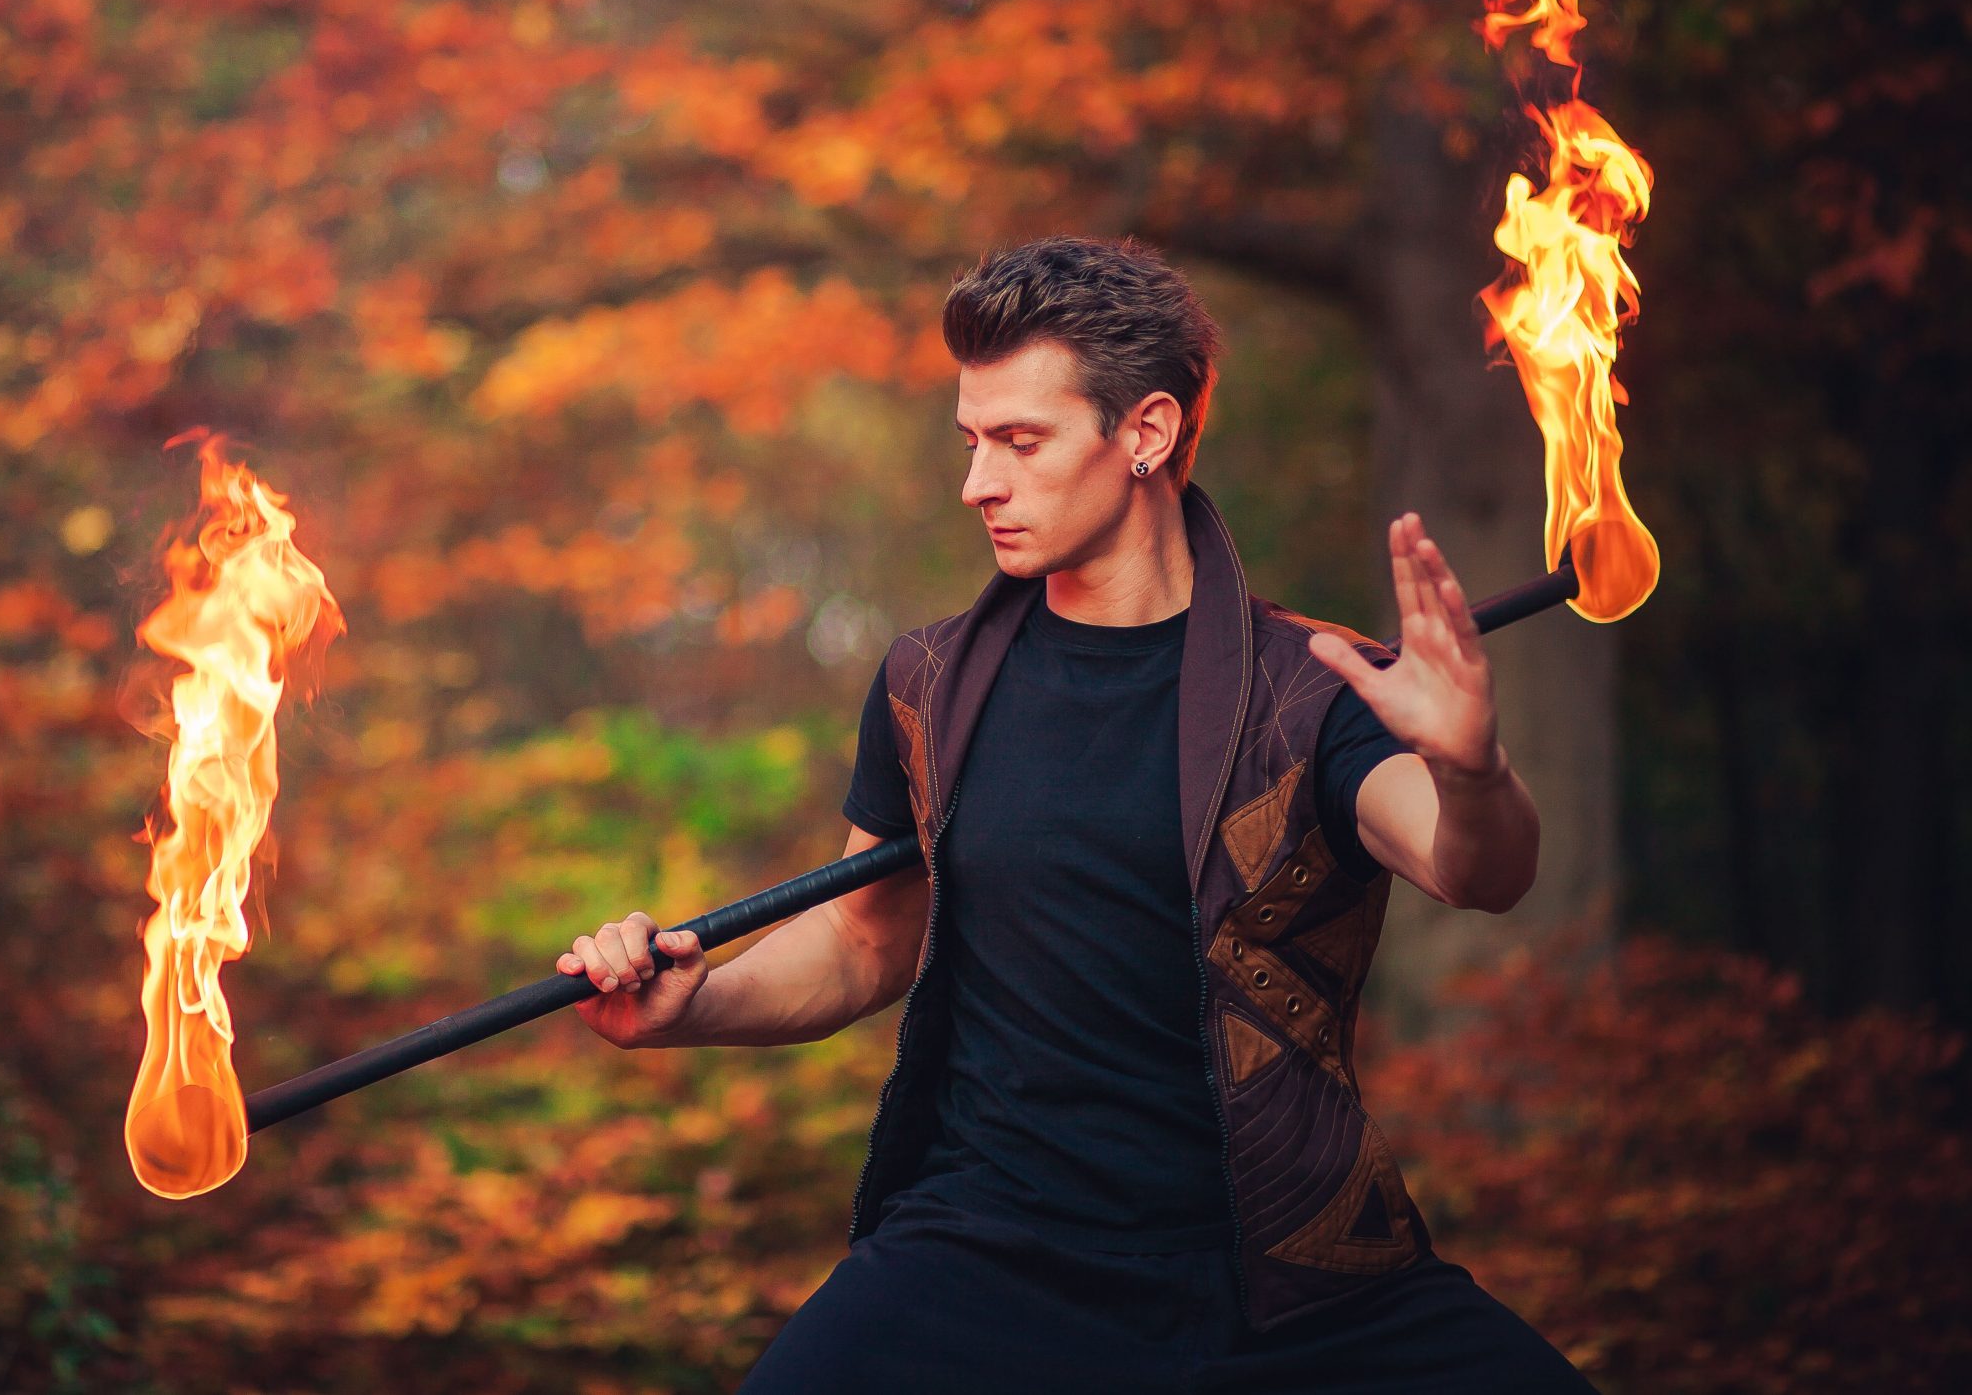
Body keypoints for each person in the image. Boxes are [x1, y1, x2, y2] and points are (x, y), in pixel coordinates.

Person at [555, 236, 1601, 1392]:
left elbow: (1477, 869)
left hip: (1285, 1284)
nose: (978, 484)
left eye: (1021, 442)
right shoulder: (929, 685)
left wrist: (1469, 767)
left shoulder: (1312, 689)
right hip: (985, 1256)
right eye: (972, 441)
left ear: (1144, 434)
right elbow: (863, 942)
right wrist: (694, 1002)